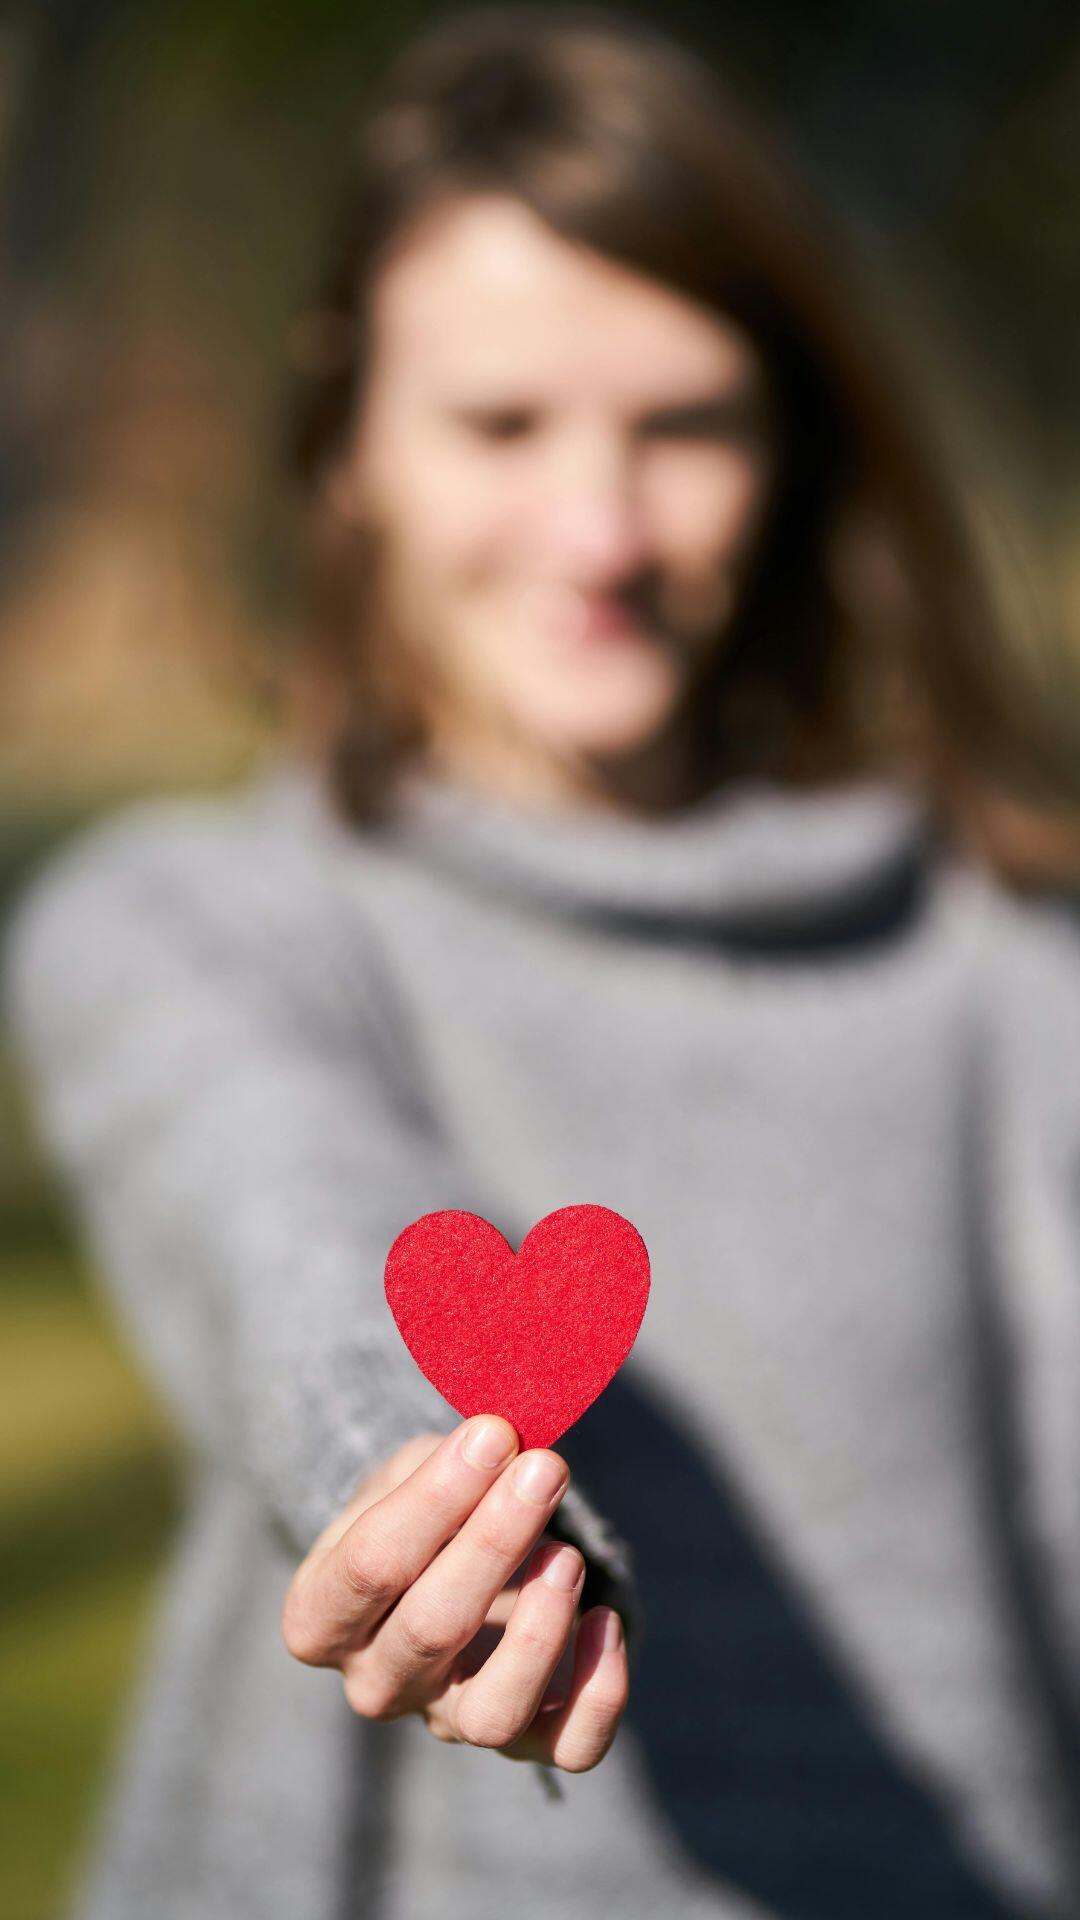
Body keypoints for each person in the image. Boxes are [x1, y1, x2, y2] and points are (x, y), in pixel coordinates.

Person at [7, 5, 1080, 1917]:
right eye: (500, 424)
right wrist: (421, 1486)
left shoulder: (1009, 985)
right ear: (348, 444)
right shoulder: (189, 925)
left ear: (790, 446)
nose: (598, 529)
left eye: (681, 426)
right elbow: (278, 1207)